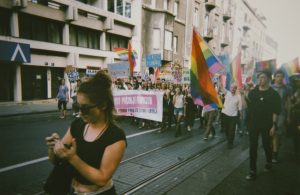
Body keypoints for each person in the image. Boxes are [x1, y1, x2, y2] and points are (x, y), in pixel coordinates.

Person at [46, 71, 127, 194]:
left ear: (103, 105)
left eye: (85, 108)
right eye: (78, 107)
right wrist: (53, 148)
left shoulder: (115, 136)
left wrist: (73, 158)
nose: (80, 113)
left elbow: (102, 179)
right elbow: (56, 160)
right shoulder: (77, 125)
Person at [245, 70, 281, 180]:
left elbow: (275, 111)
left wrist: (274, 125)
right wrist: (244, 94)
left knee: (266, 145)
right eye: (259, 77)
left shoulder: (274, 94)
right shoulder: (253, 92)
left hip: (267, 124)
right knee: (253, 147)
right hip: (253, 124)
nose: (260, 79)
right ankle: (252, 170)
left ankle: (269, 161)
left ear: (269, 79)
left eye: (263, 77)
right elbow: (248, 106)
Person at [271, 70, 292, 163]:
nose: (279, 78)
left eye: (281, 76)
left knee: (276, 133)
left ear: (283, 78)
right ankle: (274, 147)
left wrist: (288, 116)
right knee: (270, 133)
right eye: (278, 76)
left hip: (281, 114)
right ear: (274, 77)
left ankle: (275, 153)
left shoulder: (287, 89)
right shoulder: (270, 88)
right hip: (269, 114)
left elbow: (288, 103)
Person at [220, 84, 242, 149]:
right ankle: (228, 138)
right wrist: (218, 78)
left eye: (234, 88)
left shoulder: (238, 97)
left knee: (232, 129)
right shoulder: (227, 93)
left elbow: (240, 107)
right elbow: (221, 87)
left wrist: (240, 115)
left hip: (233, 116)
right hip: (225, 114)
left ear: (236, 89)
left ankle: (230, 142)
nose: (233, 89)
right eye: (232, 87)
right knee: (226, 129)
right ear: (230, 88)